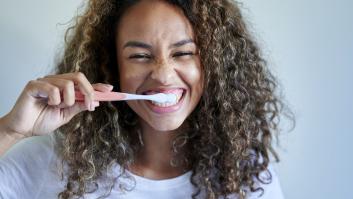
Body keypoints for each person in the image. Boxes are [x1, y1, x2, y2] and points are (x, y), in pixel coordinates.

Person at [0, 0, 293, 198]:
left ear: (213, 64)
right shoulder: (57, 160)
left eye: (183, 53)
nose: (163, 75)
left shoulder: (245, 178)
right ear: (112, 66)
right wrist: (11, 131)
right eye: (140, 56)